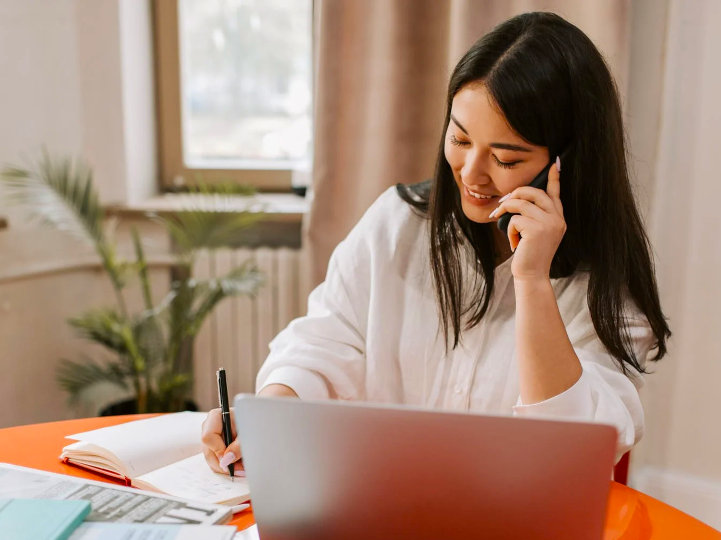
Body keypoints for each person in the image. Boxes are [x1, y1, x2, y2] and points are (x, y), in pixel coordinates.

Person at [201, 11, 670, 477]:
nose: (470, 173)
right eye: (460, 139)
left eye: (505, 158)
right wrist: (270, 417)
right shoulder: (398, 223)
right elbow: (324, 342)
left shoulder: (608, 284)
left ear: (567, 164)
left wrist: (532, 282)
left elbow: (571, 451)